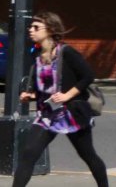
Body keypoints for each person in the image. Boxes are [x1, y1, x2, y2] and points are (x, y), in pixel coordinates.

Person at [10, 11, 109, 187]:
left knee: (88, 155)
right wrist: (30, 96)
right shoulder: (38, 57)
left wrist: (67, 95)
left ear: (50, 30)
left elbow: (87, 76)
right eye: (30, 27)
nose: (30, 30)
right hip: (47, 115)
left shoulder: (66, 52)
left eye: (35, 27)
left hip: (71, 113)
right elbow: (45, 89)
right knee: (29, 153)